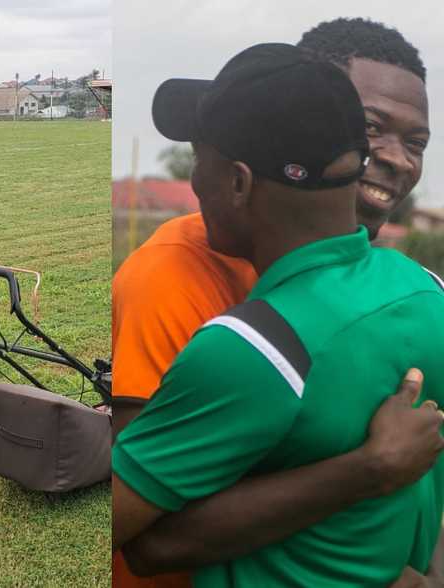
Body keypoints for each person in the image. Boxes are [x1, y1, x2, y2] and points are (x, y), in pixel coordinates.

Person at [111, 19, 438, 587]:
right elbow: (154, 531)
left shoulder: (251, 345)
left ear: (237, 182)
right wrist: (367, 472)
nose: (396, 160)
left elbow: (138, 530)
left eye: (415, 143)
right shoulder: (422, 290)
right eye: (371, 129)